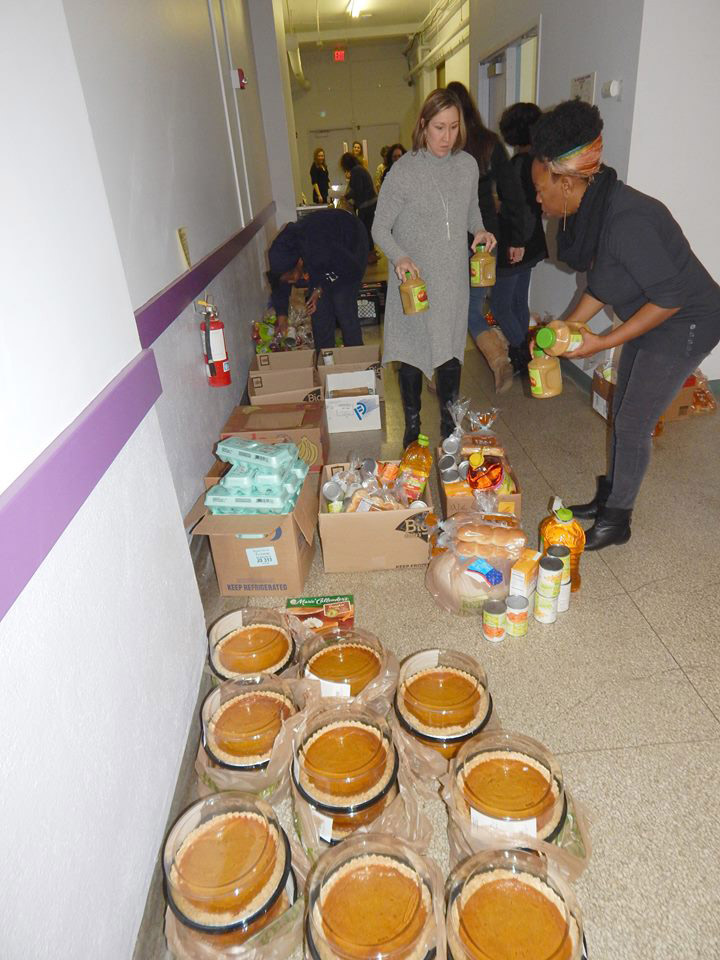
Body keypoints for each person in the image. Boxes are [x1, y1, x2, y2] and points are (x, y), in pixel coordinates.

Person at [531, 99, 720, 549]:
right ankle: (609, 495)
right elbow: (602, 284)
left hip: (686, 318)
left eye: (541, 188)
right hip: (653, 310)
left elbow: (670, 298)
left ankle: (617, 520)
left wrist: (599, 343)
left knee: (634, 421)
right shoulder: (594, 210)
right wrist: (562, 331)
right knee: (622, 411)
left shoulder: (628, 219)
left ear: (568, 181)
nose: (537, 198)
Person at [372, 88, 496, 444]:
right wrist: (401, 256)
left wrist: (481, 230)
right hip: (415, 283)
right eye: (439, 128)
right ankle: (412, 429)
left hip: (453, 279)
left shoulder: (467, 166)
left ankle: (449, 426)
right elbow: (379, 228)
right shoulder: (404, 171)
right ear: (423, 125)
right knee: (411, 353)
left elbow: (471, 210)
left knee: (450, 353)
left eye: (454, 127)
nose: (447, 137)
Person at [447, 81, 531, 394]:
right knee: (473, 307)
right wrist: (517, 240)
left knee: (456, 310)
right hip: (485, 242)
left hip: (450, 241)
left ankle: (497, 361)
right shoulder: (489, 143)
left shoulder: (444, 145)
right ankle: (496, 361)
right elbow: (513, 195)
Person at [267, 208, 368, 350]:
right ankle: (324, 360)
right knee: (319, 311)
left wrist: (319, 289)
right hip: (322, 252)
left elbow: (351, 269)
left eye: (292, 278)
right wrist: (282, 317)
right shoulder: (283, 253)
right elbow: (280, 283)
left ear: (299, 263)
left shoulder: (319, 249)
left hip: (350, 241)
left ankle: (356, 360)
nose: (291, 282)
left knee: (342, 303)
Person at [498, 101, 549, 373]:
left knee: (500, 304)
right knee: (518, 300)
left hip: (516, 243)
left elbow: (519, 209)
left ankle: (523, 354)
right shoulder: (539, 161)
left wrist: (516, 242)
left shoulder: (519, 164)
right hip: (532, 242)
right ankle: (525, 357)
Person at [340, 152, 378, 263]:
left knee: (363, 229)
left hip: (366, 205)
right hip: (371, 203)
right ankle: (371, 253)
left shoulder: (356, 171)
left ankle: (370, 254)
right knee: (367, 229)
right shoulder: (360, 169)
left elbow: (357, 189)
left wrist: (346, 197)